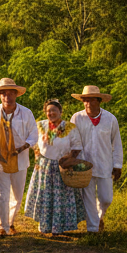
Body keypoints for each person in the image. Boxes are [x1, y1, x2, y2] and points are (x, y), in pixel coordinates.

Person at [0, 77, 39, 238]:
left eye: (10, 93)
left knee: (17, 195)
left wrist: (21, 148)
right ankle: (1, 226)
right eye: (4, 94)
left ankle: (10, 221)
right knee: (2, 194)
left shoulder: (26, 113)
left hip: (20, 159)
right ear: (0, 96)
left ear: (16, 95)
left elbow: (33, 135)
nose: (7, 97)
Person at [24, 98, 87, 236]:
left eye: (54, 110)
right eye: (48, 111)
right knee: (45, 197)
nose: (51, 113)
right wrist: (37, 155)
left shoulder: (69, 127)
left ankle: (59, 228)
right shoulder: (40, 126)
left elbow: (77, 147)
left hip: (62, 166)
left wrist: (69, 159)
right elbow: (34, 143)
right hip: (44, 167)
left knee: (60, 198)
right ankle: (44, 226)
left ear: (60, 111)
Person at [70, 85, 124, 234]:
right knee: (88, 198)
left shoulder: (110, 119)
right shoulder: (77, 117)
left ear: (99, 101)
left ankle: (100, 217)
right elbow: (72, 139)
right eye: (84, 100)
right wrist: (71, 160)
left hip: (104, 164)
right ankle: (93, 229)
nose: (87, 103)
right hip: (84, 164)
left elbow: (116, 143)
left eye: (90, 100)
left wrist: (117, 164)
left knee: (106, 198)